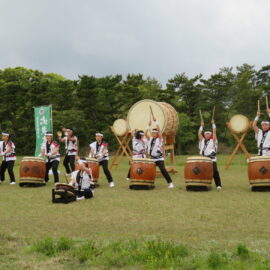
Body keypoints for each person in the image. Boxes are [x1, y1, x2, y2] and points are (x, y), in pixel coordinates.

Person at [146, 119, 174, 189]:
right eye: (153, 133)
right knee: (150, 171)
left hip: (159, 158)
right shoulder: (150, 139)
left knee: (163, 170)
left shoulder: (160, 139)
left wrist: (156, 122)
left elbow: (160, 132)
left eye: (155, 133)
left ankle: (170, 183)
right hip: (152, 158)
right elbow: (145, 133)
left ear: (157, 134)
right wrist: (148, 125)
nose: (154, 134)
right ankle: (149, 183)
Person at [198, 120, 222, 189]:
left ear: (210, 135)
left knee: (214, 171)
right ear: (204, 135)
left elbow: (214, 133)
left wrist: (213, 124)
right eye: (206, 134)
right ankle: (204, 184)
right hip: (204, 158)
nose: (207, 135)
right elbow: (199, 134)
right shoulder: (202, 140)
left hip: (211, 159)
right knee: (203, 172)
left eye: (208, 134)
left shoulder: (213, 140)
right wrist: (201, 126)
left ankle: (218, 185)